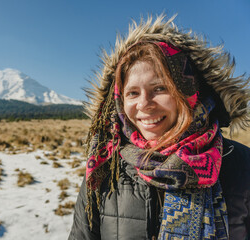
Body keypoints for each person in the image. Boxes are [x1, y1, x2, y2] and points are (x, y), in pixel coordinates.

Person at [69, 15, 250, 240]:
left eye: (160, 88)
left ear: (188, 93)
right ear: (119, 101)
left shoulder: (241, 164)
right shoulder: (106, 168)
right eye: (133, 93)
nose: (144, 104)